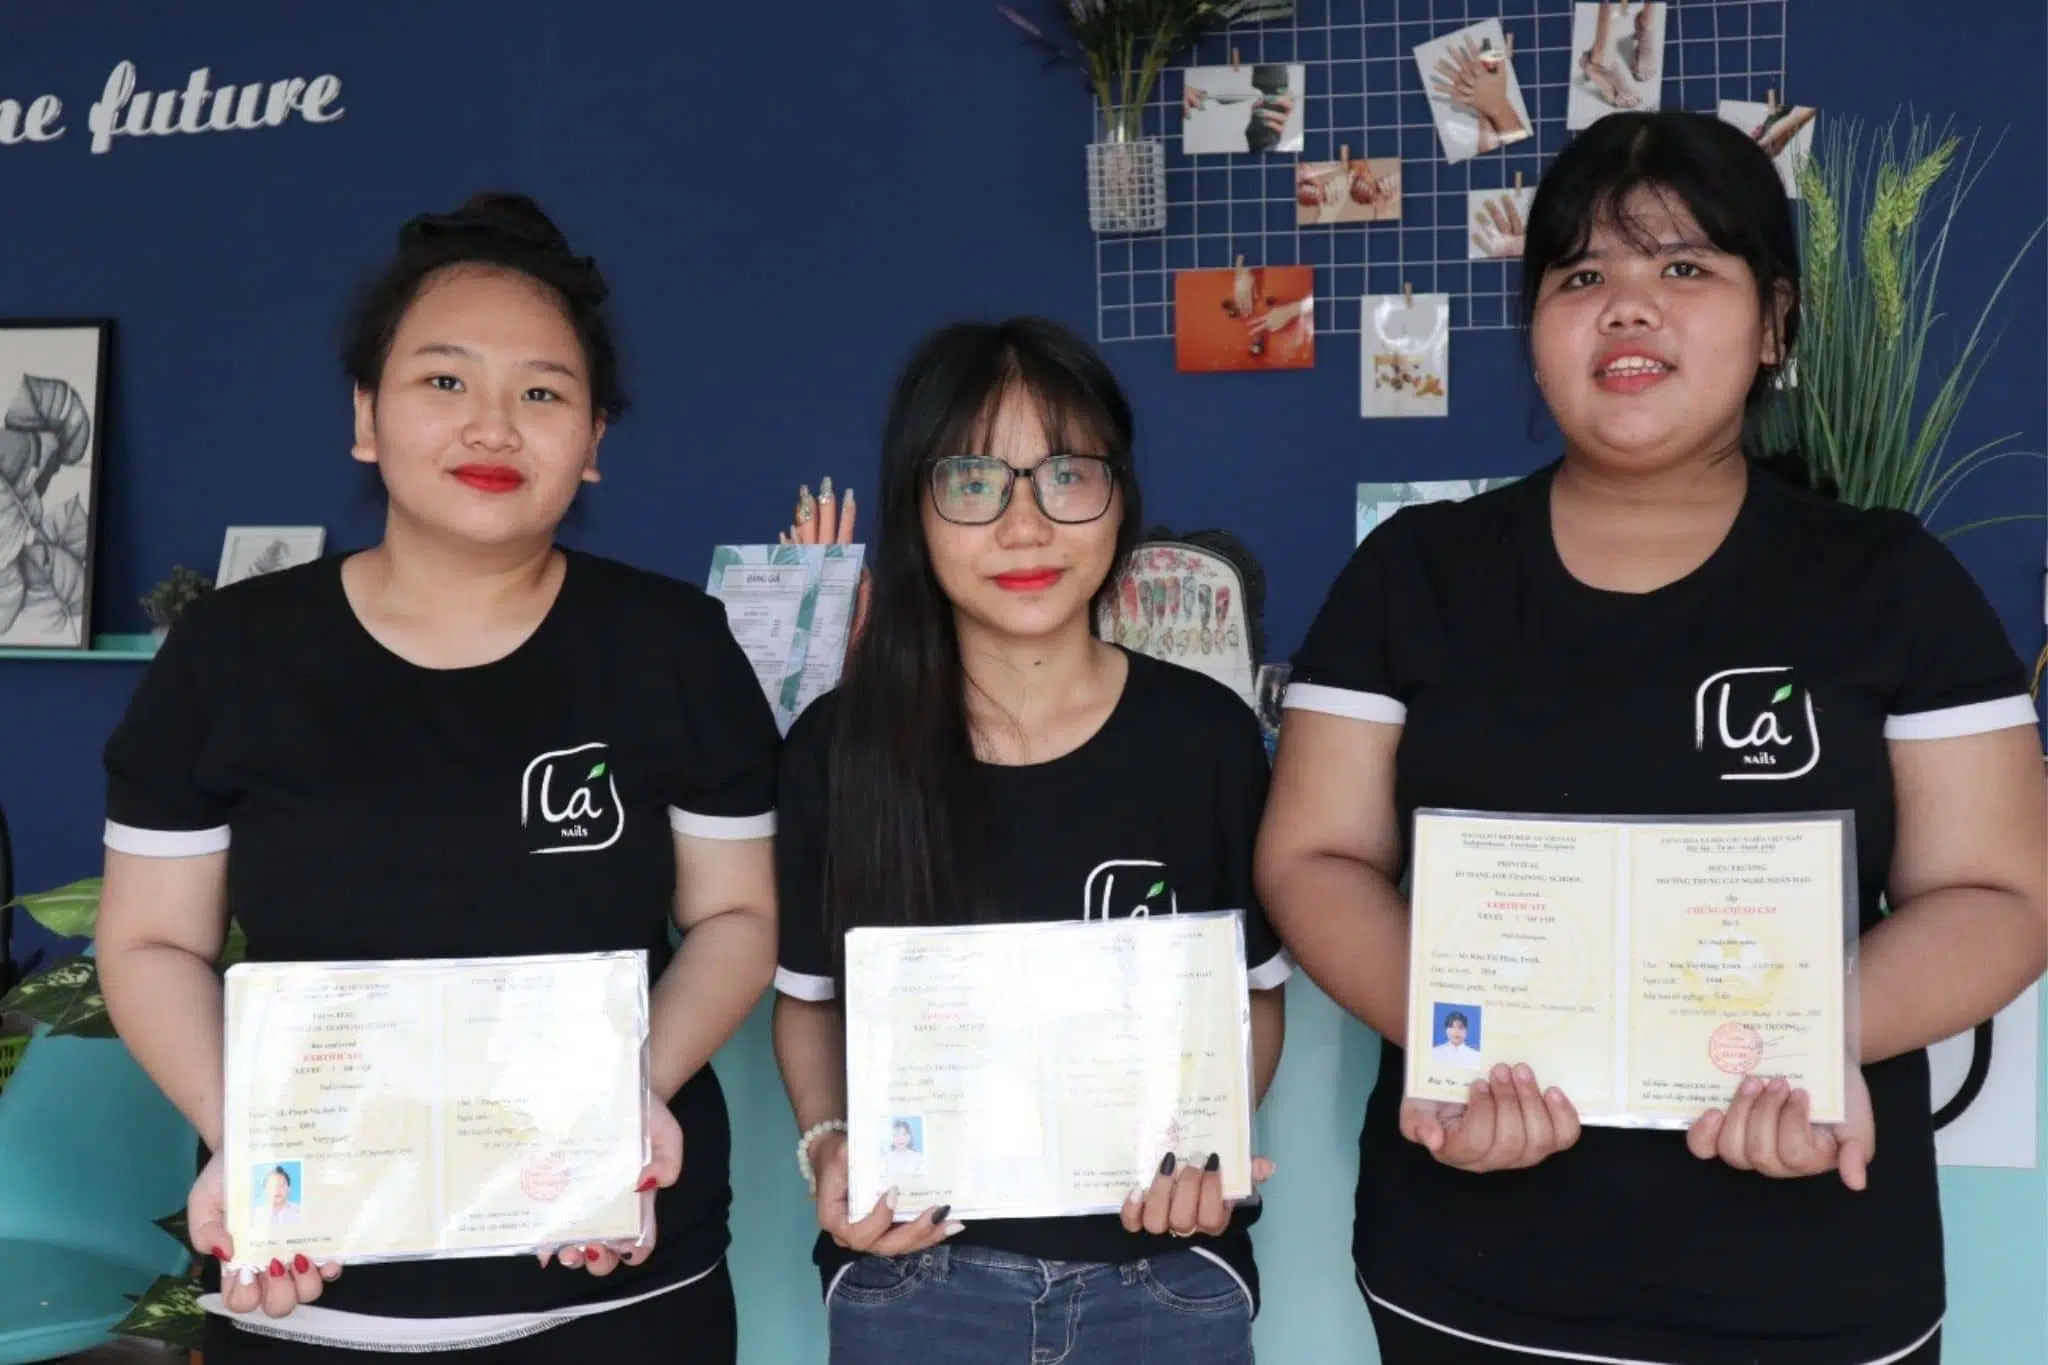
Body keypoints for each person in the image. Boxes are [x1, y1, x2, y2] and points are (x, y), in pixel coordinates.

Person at [1255, 110, 2047, 1365]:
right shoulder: (1416, 576)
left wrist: (1810, 1037)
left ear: (1773, 321)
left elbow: (1995, 894)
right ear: (1533, 332)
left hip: (1813, 1281)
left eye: (1682, 267)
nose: (1626, 308)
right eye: (1580, 275)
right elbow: (1311, 857)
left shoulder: (1890, 584)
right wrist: (1466, 1044)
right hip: (1468, 1272)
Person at [93, 192, 782, 1363]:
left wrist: (632, 1091)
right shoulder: (233, 653)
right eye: (444, 382)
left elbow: (734, 914)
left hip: (620, 1294)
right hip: (319, 1286)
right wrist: (248, 1139)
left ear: (596, 439)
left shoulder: (673, 646)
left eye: (544, 392)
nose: (494, 427)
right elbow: (149, 942)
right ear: (366, 415)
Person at [770, 317, 1293, 1364]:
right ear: (917, 511)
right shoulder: (842, 749)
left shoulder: (1204, 738)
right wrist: (828, 1145)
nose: (1025, 527)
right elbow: (806, 1001)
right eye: (974, 481)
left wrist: (1207, 1139)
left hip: (1167, 1271)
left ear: (1118, 497)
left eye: (1065, 475)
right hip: (912, 1268)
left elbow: (1254, 993)